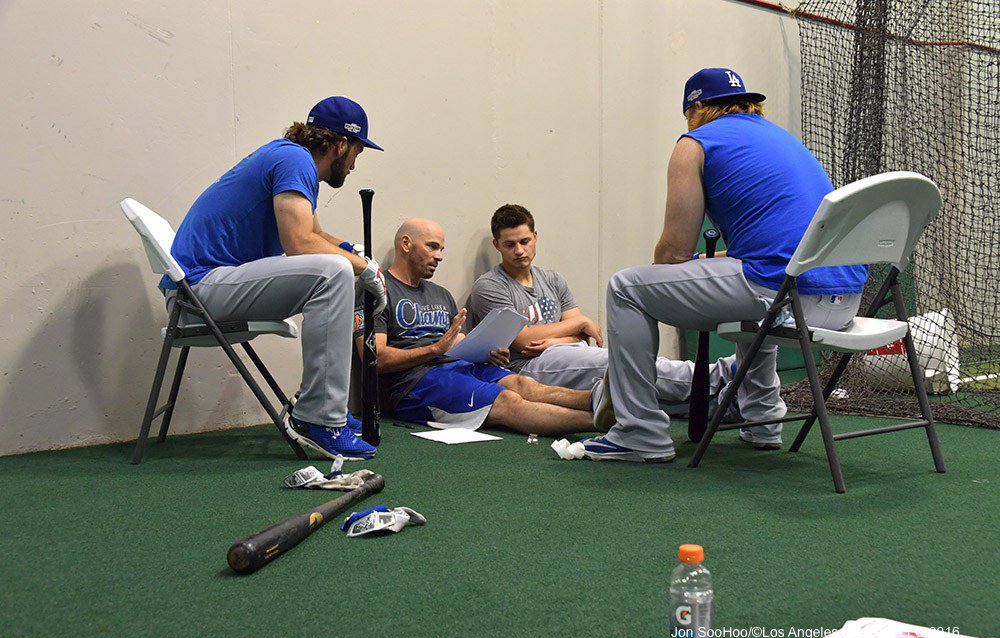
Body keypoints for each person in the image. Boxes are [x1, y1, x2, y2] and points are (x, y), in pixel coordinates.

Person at [583, 68, 868, 463]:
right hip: (845, 302)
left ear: (697, 106)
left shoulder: (694, 143)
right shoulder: (781, 139)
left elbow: (674, 252)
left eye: (688, 113)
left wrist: (673, 270)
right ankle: (763, 422)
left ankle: (639, 432)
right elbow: (774, 248)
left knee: (626, 289)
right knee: (753, 293)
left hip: (786, 297)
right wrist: (703, 263)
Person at [160, 96, 387, 461]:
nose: (355, 165)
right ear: (341, 143)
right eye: (358, 152)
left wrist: (354, 252)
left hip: (210, 285)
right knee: (334, 272)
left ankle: (322, 404)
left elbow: (316, 234)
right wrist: (361, 269)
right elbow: (300, 244)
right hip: (198, 291)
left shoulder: (291, 159)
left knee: (338, 267)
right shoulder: (294, 160)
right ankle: (318, 418)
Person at [467, 203, 739, 417]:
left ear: (535, 237)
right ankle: (722, 374)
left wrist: (564, 335)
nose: (519, 251)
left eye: (524, 241)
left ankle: (720, 405)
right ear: (496, 245)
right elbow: (524, 340)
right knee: (621, 366)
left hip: (569, 353)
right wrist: (579, 323)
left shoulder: (551, 279)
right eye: (509, 245)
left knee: (628, 389)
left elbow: (583, 334)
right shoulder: (490, 286)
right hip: (528, 367)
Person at [355, 218, 597, 437]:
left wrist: (486, 353)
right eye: (432, 247)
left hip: (458, 367)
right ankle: (605, 422)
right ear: (406, 244)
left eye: (441, 249)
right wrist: (435, 350)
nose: (439, 256)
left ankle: (601, 400)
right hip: (411, 384)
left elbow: (457, 343)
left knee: (522, 384)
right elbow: (374, 358)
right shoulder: (377, 290)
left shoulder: (441, 295)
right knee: (508, 400)